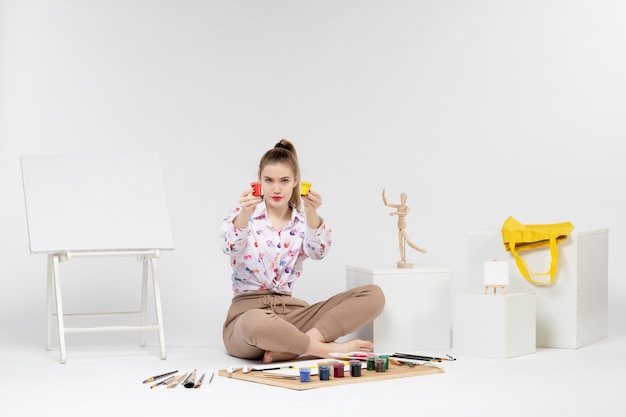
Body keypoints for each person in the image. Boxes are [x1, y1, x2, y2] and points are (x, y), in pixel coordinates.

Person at [220, 139, 385, 363]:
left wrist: (311, 213)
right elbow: (229, 246)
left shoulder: (302, 222)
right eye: (269, 180)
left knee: (373, 295)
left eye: (284, 180)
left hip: (292, 315)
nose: (276, 189)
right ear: (259, 179)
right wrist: (244, 215)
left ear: (295, 181)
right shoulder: (243, 214)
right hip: (246, 319)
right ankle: (325, 350)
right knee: (254, 322)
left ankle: (296, 345)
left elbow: (319, 252)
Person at [382, 188, 426, 267]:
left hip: (403, 225)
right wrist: (383, 195)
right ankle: (402, 259)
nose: (402, 199)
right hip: (399, 225)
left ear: (406, 199)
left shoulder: (407, 207)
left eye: (403, 197)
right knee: (400, 243)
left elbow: (404, 213)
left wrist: (395, 213)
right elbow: (386, 204)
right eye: (401, 197)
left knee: (408, 242)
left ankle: (420, 249)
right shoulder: (398, 206)